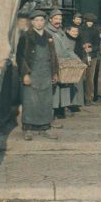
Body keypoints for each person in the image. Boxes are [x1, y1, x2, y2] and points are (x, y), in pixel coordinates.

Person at [15, 10, 60, 141]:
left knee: (46, 100)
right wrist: (25, 74)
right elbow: (20, 57)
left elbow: (54, 56)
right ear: (32, 22)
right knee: (30, 100)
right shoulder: (26, 36)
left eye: (41, 20)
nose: (39, 23)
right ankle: (28, 128)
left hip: (46, 72)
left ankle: (45, 127)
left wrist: (55, 72)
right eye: (36, 20)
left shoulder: (49, 36)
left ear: (44, 21)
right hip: (32, 72)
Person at [45, 9, 80, 119]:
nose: (58, 21)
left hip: (63, 63)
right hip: (51, 62)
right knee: (54, 86)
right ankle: (52, 110)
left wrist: (77, 60)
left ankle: (62, 109)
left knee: (65, 85)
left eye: (60, 19)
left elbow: (68, 49)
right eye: (56, 18)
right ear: (50, 19)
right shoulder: (46, 31)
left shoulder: (61, 32)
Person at [80, 12, 100, 105]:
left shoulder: (96, 31)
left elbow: (98, 45)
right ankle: (80, 98)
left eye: (91, 22)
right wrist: (83, 46)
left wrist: (91, 48)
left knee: (90, 78)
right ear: (85, 21)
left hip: (92, 57)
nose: (90, 23)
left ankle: (89, 98)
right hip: (82, 56)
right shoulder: (80, 30)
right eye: (88, 21)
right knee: (81, 77)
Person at [64, 24, 85, 112]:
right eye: (73, 31)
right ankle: (69, 103)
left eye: (76, 31)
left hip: (78, 64)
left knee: (78, 84)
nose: (75, 33)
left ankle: (76, 103)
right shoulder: (66, 40)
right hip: (70, 64)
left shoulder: (79, 39)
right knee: (70, 84)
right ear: (68, 31)